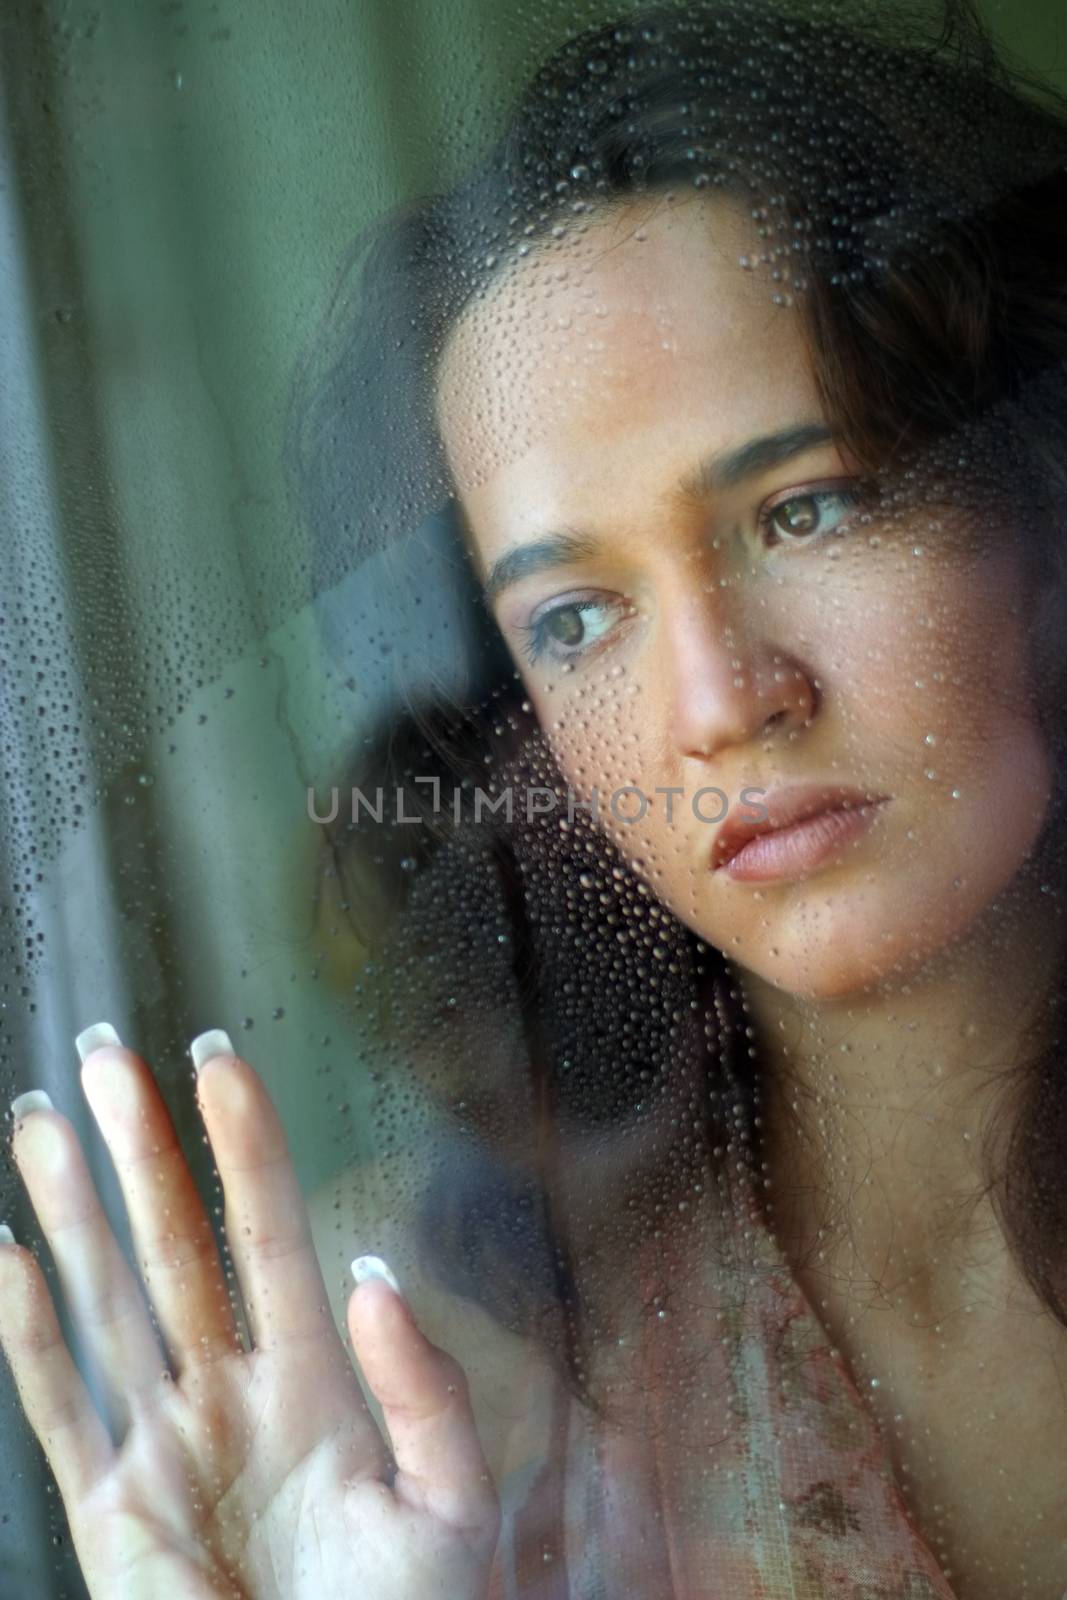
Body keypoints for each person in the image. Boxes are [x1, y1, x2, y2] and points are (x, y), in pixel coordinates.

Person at [3, 0, 1067, 1594]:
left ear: (1039, 507)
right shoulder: (435, 1353)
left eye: (811, 505)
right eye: (576, 616)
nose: (719, 705)